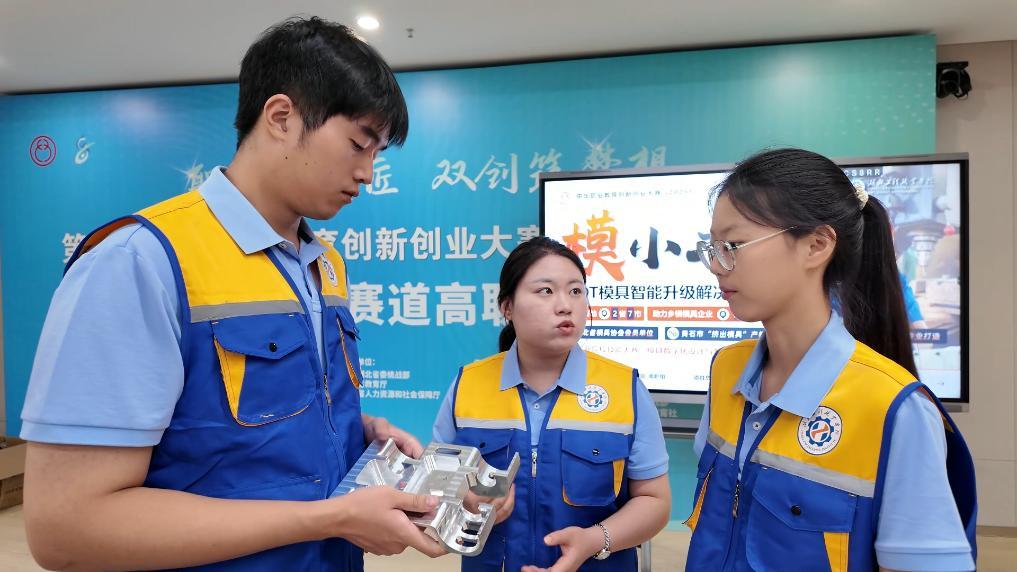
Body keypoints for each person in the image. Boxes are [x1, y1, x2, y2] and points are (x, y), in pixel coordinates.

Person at [20, 16, 445, 571]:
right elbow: (66, 528)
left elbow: (245, 433)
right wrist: (327, 518)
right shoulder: (140, 262)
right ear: (281, 117)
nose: (368, 173)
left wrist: (354, 434)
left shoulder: (325, 266)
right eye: (358, 145)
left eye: (377, 154)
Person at [684, 148, 977, 571]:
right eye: (712, 247)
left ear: (816, 245)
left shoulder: (894, 408)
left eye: (733, 245)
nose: (716, 265)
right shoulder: (726, 369)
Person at [432, 237, 672, 572]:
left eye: (575, 291)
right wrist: (466, 503)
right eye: (545, 291)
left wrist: (593, 540)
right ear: (507, 307)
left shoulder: (624, 388)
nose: (565, 305)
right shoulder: (468, 386)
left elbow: (654, 501)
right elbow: (436, 489)